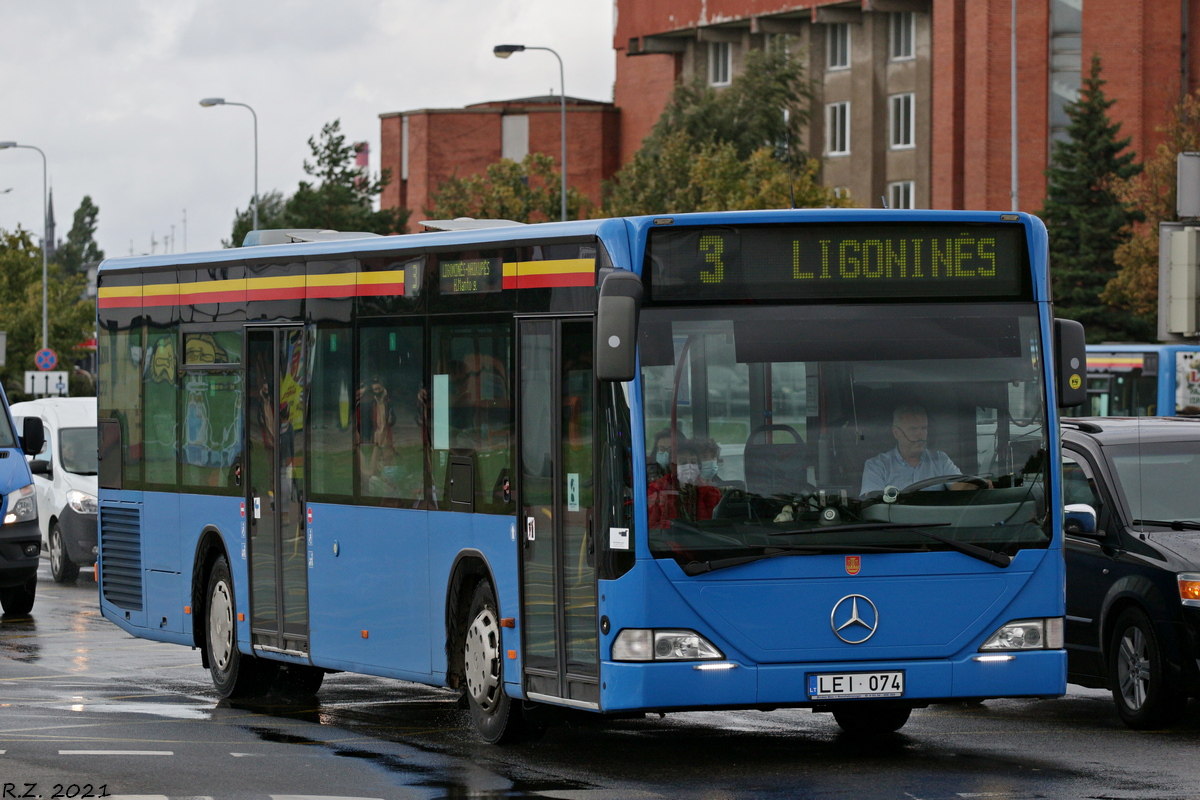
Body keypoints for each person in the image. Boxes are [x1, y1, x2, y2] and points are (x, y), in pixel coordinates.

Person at [860, 405, 979, 496]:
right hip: (896, 526)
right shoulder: (877, 465)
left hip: (937, 524)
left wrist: (976, 486)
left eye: (924, 428)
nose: (920, 435)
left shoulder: (940, 460)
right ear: (896, 432)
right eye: (913, 429)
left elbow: (959, 487)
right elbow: (872, 504)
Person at [648, 441, 720, 528]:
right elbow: (652, 528)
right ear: (672, 466)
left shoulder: (710, 492)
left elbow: (717, 526)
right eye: (683, 462)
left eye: (693, 462)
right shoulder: (658, 490)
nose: (689, 466)